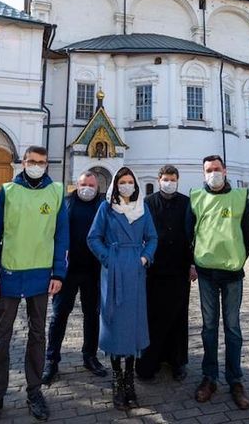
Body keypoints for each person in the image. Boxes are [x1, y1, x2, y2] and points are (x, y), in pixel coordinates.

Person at [0, 146, 69, 423]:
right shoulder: (8, 191)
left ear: (47, 164)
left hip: (41, 276)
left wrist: (59, 273)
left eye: (42, 162)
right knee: (1, 336)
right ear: (23, 162)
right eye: (32, 161)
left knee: (38, 335)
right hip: (9, 275)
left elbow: (62, 235)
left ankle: (34, 390)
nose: (37, 165)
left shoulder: (56, 191)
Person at [188, 155, 249, 410]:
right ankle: (209, 377)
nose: (213, 173)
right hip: (206, 273)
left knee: (233, 328)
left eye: (217, 169)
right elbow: (188, 232)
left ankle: (235, 380)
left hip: (232, 274)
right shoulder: (197, 197)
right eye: (208, 170)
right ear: (203, 173)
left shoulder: (239, 197)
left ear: (225, 171)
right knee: (208, 328)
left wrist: (237, 257)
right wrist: (192, 262)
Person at [87, 167, 158, 410]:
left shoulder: (142, 207)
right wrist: (108, 258)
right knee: (115, 323)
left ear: (135, 185)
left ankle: (130, 379)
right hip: (114, 271)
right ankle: (117, 379)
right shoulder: (106, 208)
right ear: (115, 185)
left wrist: (145, 258)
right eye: (122, 182)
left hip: (135, 271)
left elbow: (152, 237)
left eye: (129, 182)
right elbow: (93, 237)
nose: (126, 185)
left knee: (133, 324)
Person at [42, 171, 107, 384]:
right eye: (83, 184)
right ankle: (51, 360)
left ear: (97, 187)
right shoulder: (65, 204)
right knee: (59, 315)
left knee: (92, 315)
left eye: (91, 185)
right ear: (76, 186)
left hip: (93, 271)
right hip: (67, 272)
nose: (87, 188)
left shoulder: (103, 206)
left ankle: (90, 356)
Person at [136, 164, 193, 382]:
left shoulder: (186, 203)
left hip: (179, 267)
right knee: (153, 315)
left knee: (178, 316)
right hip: (154, 268)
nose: (169, 183)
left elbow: (192, 234)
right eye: (165, 179)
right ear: (159, 180)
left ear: (178, 180)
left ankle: (177, 361)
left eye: (172, 179)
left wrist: (192, 264)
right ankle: (152, 359)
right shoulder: (148, 202)